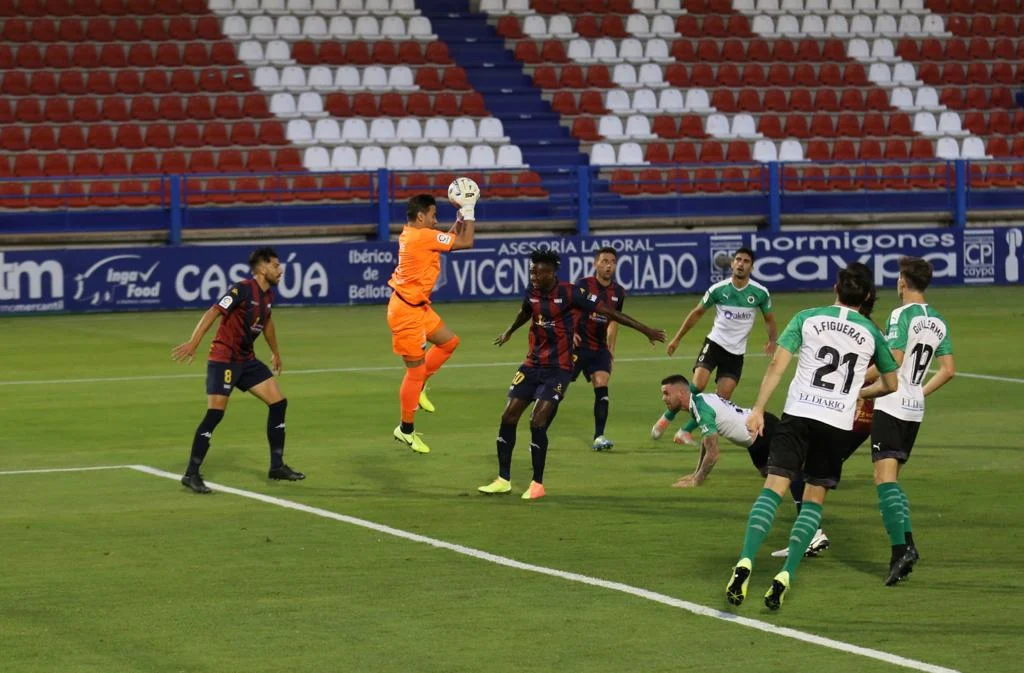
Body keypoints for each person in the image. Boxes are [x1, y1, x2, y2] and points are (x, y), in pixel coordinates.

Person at [725, 264, 899, 610]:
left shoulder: (807, 317)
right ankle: (786, 573)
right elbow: (892, 384)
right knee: (814, 501)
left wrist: (758, 408)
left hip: (798, 415)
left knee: (773, 489)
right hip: (835, 423)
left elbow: (778, 365)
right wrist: (858, 395)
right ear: (866, 297)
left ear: (835, 288)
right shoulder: (871, 332)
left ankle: (746, 560)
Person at [479, 249, 665, 500]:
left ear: (552, 273)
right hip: (532, 364)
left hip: (559, 369)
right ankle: (503, 479)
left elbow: (609, 312)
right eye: (531, 270)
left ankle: (537, 484)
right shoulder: (532, 291)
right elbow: (526, 310)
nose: (533, 275)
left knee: (537, 421)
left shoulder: (570, 292)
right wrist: (509, 331)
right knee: (508, 415)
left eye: (539, 271)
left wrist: (645, 330)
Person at [171, 247, 304, 494]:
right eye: (275, 265)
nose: (280, 270)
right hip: (224, 359)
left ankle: (277, 466)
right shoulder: (241, 289)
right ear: (263, 268)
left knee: (279, 403)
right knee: (215, 415)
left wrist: (275, 351)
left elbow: (268, 322)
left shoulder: (267, 297)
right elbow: (214, 311)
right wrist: (194, 342)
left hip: (247, 360)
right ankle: (191, 473)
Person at [860, 257, 955, 585]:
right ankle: (905, 545)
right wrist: (920, 392)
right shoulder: (939, 321)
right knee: (891, 478)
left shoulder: (901, 315)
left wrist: (859, 382)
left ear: (902, 282)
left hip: (892, 403)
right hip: (914, 405)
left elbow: (893, 360)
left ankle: (902, 549)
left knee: (883, 480)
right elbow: (948, 370)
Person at [660, 374, 829, 558]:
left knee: (790, 475)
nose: (664, 399)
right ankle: (811, 524)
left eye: (667, 393)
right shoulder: (700, 402)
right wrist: (695, 473)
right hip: (755, 440)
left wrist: (698, 480)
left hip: (763, 430)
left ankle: (813, 533)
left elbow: (714, 453)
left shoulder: (701, 407)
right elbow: (707, 441)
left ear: (682, 392)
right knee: (778, 476)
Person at [386, 185, 478, 454]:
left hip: (417, 307)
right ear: (421, 217)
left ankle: (422, 386)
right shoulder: (420, 237)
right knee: (414, 372)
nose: (436, 220)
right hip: (406, 313)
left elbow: (444, 241)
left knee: (449, 342)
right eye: (433, 215)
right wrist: (469, 213)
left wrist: (458, 221)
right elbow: (466, 243)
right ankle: (405, 430)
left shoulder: (415, 234)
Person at [653, 247, 776, 445]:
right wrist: (677, 339)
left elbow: (769, 319)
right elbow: (696, 313)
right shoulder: (719, 289)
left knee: (721, 399)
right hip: (715, 344)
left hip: (736, 353)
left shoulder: (760, 293)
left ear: (751, 267)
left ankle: (684, 432)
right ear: (732, 263)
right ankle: (667, 417)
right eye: (738, 260)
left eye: (746, 261)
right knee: (697, 386)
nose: (741, 264)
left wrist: (772, 340)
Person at [572, 246, 626, 451]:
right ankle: (539, 428)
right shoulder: (583, 285)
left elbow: (615, 320)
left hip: (599, 347)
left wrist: (611, 348)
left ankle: (599, 436)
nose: (608, 265)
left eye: (612, 261)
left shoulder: (618, 292)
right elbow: (568, 310)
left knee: (602, 383)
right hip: (578, 346)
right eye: (604, 261)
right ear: (595, 263)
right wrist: (569, 334)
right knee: (558, 390)